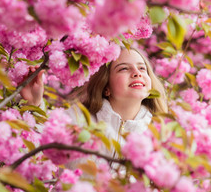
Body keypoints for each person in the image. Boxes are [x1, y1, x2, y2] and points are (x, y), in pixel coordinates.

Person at [21, 47, 168, 155]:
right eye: (123, 69)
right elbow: (39, 145)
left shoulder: (159, 134)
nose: (137, 73)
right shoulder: (78, 119)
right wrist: (33, 104)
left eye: (142, 68)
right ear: (106, 87)